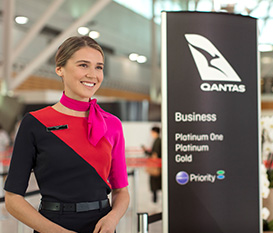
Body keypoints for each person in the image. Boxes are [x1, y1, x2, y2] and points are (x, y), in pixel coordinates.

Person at [4, 36, 129, 233]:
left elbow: (121, 191)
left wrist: (112, 218)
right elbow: (12, 199)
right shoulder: (35, 122)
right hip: (52, 226)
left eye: (99, 67)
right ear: (59, 69)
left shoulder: (112, 124)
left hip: (101, 227)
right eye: (83, 65)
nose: (92, 74)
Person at [142, 126, 161, 203]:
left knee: (155, 182)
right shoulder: (157, 140)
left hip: (156, 165)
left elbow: (155, 153)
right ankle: (155, 198)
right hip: (157, 164)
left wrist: (146, 152)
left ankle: (155, 198)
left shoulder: (157, 141)